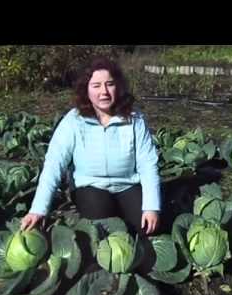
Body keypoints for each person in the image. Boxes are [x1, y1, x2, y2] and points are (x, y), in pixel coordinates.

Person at [20, 56, 161, 237]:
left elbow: (148, 165)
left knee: (147, 229)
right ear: (86, 89)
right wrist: (38, 209)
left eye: (109, 84)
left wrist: (151, 207)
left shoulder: (134, 119)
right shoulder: (73, 121)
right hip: (90, 186)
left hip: (127, 184)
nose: (104, 92)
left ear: (118, 86)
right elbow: (54, 164)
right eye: (96, 85)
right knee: (101, 229)